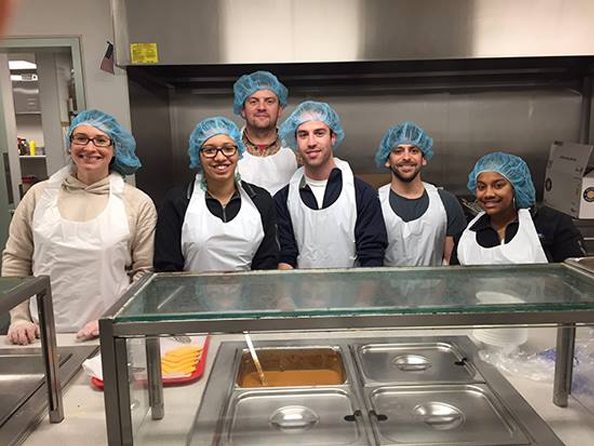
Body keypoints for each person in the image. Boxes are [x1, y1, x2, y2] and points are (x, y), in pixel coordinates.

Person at [2, 109, 157, 344]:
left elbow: (144, 273)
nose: (90, 148)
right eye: (81, 138)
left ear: (115, 149)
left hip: (111, 330)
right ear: (69, 144)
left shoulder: (137, 202)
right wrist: (19, 318)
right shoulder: (38, 196)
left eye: (101, 140)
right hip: (40, 331)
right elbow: (16, 259)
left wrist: (117, 317)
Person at [154, 116, 278, 273]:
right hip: (190, 296)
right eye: (209, 150)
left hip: (249, 295)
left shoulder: (260, 200)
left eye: (228, 148)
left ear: (238, 152)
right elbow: (167, 267)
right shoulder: (178, 201)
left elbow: (267, 264)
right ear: (198, 155)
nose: (220, 157)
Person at [274, 100, 387, 269]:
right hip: (300, 293)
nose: (311, 142)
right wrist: (288, 296)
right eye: (303, 135)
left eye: (319, 133)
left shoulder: (362, 194)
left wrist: (363, 297)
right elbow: (286, 256)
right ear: (295, 141)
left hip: (352, 293)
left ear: (333, 137)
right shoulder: (284, 199)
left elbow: (372, 257)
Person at [451, 151, 585, 265]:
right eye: (481, 187)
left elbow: (575, 280)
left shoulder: (553, 224)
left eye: (498, 186)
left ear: (516, 188)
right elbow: (455, 284)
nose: (488, 194)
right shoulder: (467, 233)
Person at [374, 121, 466, 266]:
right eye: (398, 151)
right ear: (387, 160)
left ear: (424, 159)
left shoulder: (446, 202)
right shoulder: (374, 202)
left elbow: (451, 263)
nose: (406, 157)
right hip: (386, 288)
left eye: (414, 150)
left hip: (434, 288)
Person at [233, 71, 297, 195]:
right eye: (253, 101)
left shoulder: (298, 149)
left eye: (269, 101)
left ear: (280, 110)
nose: (261, 107)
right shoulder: (227, 149)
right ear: (242, 110)